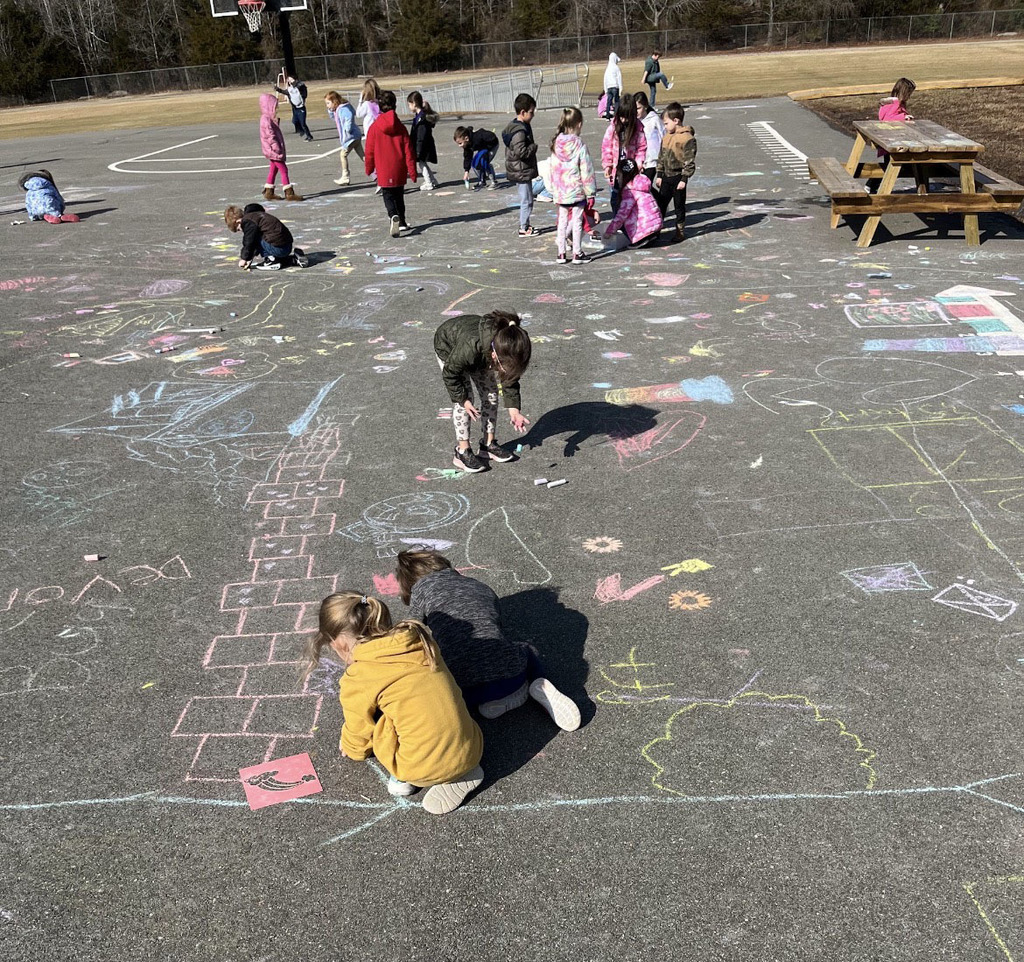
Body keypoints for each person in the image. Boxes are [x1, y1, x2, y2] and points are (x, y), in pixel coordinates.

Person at [305, 591, 484, 815]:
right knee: (428, 703)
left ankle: (407, 777)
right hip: (473, 744)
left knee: (380, 720)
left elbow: (359, 728)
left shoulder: (360, 677)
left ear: (340, 643)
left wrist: (352, 749)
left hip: (420, 767)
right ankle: (462, 769)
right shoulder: (418, 637)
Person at [395, 549, 581, 730]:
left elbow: (411, 630)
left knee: (443, 666)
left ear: (410, 584)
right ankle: (537, 681)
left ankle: (483, 703)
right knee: (524, 649)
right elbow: (495, 622)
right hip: (512, 675)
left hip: (462, 689)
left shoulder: (420, 589)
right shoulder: (480, 586)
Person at [434, 310, 532, 473]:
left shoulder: (512, 346)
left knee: (491, 394)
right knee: (465, 401)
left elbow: (510, 379)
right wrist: (463, 400)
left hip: (480, 354)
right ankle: (462, 451)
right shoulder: (470, 347)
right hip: (449, 347)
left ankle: (488, 444)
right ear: (495, 355)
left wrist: (514, 411)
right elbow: (450, 373)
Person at [547, 106, 597, 266]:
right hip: (576, 190)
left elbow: (553, 169)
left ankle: (561, 253)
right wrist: (590, 192)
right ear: (579, 124)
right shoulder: (579, 145)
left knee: (562, 221)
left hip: (561, 191)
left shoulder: (556, 144)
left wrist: (554, 191)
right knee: (577, 222)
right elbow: (586, 170)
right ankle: (577, 253)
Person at [364, 90, 417, 238]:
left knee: (388, 196)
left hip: (383, 170)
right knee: (399, 196)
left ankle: (393, 215)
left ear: (379, 107)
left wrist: (369, 168)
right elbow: (409, 151)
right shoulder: (401, 128)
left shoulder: (374, 128)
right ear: (395, 105)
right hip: (399, 169)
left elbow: (369, 151)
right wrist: (412, 172)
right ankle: (402, 221)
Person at [653, 101, 696, 242]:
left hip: (678, 178)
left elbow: (689, 162)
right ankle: (656, 229)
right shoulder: (666, 138)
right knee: (661, 205)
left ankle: (680, 231)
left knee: (679, 206)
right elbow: (661, 157)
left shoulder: (687, 139)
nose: (665, 127)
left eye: (666, 124)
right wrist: (659, 175)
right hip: (666, 177)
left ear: (676, 121)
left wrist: (684, 179)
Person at [224, 203, 308, 270]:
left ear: (238, 222)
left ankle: (271, 260)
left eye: (238, 229)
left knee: (254, 238)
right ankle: (294, 259)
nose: (241, 231)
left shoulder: (248, 222)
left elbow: (249, 242)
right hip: (286, 246)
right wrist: (250, 258)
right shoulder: (256, 216)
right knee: (258, 236)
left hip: (278, 248)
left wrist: (244, 258)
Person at [601, 95, 646, 216]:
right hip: (616, 171)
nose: (624, 120)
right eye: (621, 116)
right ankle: (618, 220)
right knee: (615, 197)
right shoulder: (613, 127)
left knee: (630, 198)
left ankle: (629, 221)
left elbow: (641, 148)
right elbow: (606, 146)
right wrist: (607, 165)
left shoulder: (638, 128)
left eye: (627, 117)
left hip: (630, 170)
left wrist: (638, 164)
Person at [503, 93, 540, 237]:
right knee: (526, 200)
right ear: (523, 112)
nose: (533, 115)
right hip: (521, 171)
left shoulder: (520, 126)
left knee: (528, 199)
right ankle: (523, 227)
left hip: (521, 170)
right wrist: (533, 147)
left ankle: (526, 225)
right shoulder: (519, 131)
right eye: (531, 112)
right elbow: (521, 152)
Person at [603, 159, 662, 248]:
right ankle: (650, 235)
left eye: (619, 175)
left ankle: (640, 238)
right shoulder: (642, 184)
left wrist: (609, 232)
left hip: (645, 229)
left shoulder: (630, 191)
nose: (618, 178)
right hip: (656, 225)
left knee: (625, 216)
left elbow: (622, 214)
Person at [257, 93, 303, 202]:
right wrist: (276, 148)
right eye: (274, 106)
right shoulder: (266, 119)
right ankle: (289, 193)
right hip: (273, 150)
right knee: (283, 169)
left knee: (273, 169)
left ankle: (269, 191)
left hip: (272, 150)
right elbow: (270, 136)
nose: (276, 108)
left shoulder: (268, 118)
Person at [325, 91, 363, 186]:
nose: (327, 105)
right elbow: (335, 118)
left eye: (328, 103)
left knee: (343, 155)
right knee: (363, 156)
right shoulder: (338, 110)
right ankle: (376, 172)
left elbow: (349, 117)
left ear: (335, 101)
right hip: (354, 136)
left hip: (351, 137)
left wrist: (347, 129)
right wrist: (330, 110)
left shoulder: (343, 108)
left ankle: (345, 177)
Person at [407, 91, 439, 190]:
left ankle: (429, 182)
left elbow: (421, 135)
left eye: (409, 104)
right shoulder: (419, 117)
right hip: (423, 145)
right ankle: (432, 180)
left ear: (414, 103)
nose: (409, 107)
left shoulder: (422, 119)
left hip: (423, 145)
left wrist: (418, 149)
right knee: (423, 163)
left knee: (422, 163)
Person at [454, 125, 500, 190]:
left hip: (492, 146)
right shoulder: (467, 146)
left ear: (466, 139)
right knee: (475, 163)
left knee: (484, 162)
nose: (459, 146)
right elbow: (467, 158)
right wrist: (466, 172)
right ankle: (482, 181)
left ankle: (494, 182)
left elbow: (491, 136)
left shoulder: (478, 136)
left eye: (460, 143)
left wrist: (488, 144)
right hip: (483, 149)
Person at [357, 78, 382, 192]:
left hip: (371, 136)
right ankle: (380, 178)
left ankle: (378, 179)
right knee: (379, 158)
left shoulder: (367, 104)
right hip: (380, 134)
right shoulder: (379, 102)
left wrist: (360, 100)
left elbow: (358, 114)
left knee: (371, 159)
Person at [634, 91, 664, 185]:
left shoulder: (654, 119)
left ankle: (660, 200)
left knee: (645, 185)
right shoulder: (634, 123)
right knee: (642, 187)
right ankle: (659, 199)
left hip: (653, 161)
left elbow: (664, 136)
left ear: (645, 106)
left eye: (638, 108)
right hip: (640, 162)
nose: (636, 111)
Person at [274, 70, 313, 141]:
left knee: (303, 123)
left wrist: (295, 85)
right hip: (295, 108)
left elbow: (302, 90)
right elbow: (286, 92)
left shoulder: (300, 85)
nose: (289, 80)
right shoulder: (290, 88)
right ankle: (302, 132)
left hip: (301, 107)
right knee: (294, 121)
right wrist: (278, 89)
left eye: (290, 79)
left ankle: (309, 136)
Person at [602, 53, 622, 120]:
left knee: (609, 101)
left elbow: (605, 79)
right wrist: (621, 87)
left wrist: (605, 89)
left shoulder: (608, 69)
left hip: (609, 87)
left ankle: (607, 115)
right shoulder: (616, 68)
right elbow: (619, 78)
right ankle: (616, 115)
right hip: (615, 87)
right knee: (616, 101)